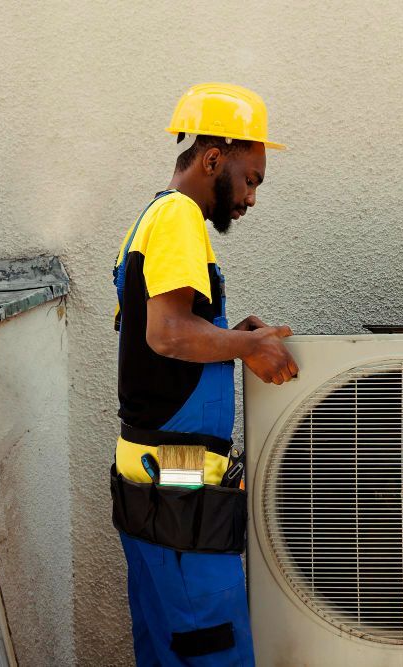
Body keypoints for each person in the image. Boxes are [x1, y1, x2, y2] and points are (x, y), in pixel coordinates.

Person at [110, 83, 298, 666]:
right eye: (251, 178)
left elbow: (171, 334)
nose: (250, 198)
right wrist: (247, 348)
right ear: (213, 158)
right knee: (211, 648)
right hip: (178, 482)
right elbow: (165, 333)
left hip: (157, 475)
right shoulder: (179, 218)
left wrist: (233, 335)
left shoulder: (155, 216)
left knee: (169, 650)